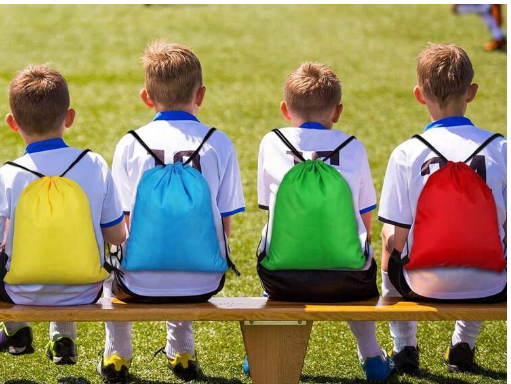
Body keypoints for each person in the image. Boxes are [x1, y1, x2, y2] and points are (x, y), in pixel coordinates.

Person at [100, 39, 245, 383]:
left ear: (146, 97)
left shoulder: (130, 143)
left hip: (137, 282)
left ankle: (116, 355)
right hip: (204, 280)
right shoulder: (218, 141)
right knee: (187, 239)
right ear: (201, 94)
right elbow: (225, 225)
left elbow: (122, 223)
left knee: (111, 274)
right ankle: (181, 349)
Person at [255, 62, 393, 382]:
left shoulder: (272, 141)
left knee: (274, 239)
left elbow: (271, 209)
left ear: (285, 109)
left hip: (281, 278)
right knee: (357, 256)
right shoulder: (353, 145)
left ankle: (263, 354)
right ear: (338, 111)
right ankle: (372, 355)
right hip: (349, 279)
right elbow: (364, 217)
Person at [379, 43, 506, 374]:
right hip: (494, 283)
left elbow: (397, 238)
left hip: (421, 283)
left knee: (388, 232)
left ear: (420, 95)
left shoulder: (407, 153)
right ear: (472, 92)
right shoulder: (500, 147)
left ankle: (404, 346)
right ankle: (463, 342)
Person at [0, 65, 126, 364]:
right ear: (69, 117)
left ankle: (15, 328)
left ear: (12, 123)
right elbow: (116, 236)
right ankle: (63, 336)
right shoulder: (93, 164)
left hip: (21, 293)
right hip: (85, 290)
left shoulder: (8, 174)